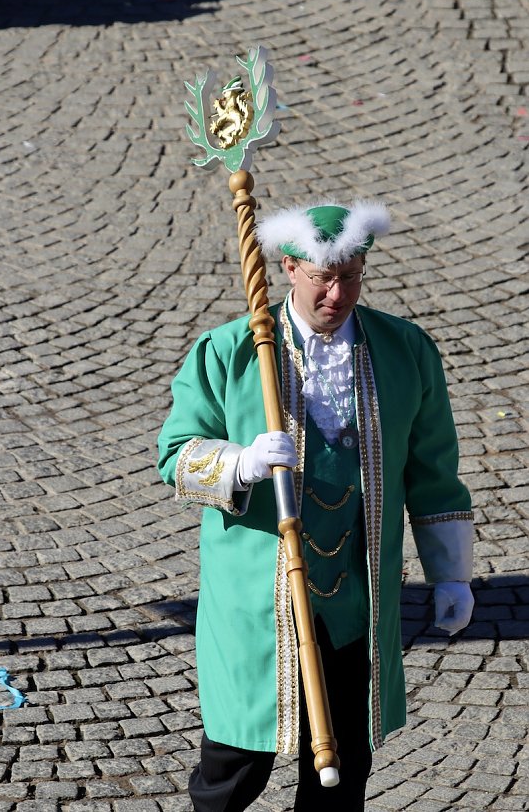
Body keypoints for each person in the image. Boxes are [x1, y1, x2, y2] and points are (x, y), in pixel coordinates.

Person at [157, 200, 475, 812]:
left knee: (342, 772)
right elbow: (174, 458)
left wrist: (451, 573)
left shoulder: (406, 350)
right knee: (232, 771)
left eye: (350, 276)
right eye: (323, 277)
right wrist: (240, 462)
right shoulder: (229, 352)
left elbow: (434, 471)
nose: (337, 292)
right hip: (258, 602)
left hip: (356, 601)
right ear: (289, 270)